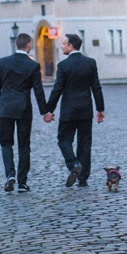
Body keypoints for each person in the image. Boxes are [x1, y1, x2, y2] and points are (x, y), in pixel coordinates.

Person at [0, 33, 48, 192]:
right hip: (23, 108)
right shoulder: (33, 66)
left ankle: (10, 174)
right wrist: (45, 112)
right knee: (24, 145)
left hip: (5, 108)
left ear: (17, 44)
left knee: (6, 143)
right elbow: (38, 91)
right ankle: (22, 182)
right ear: (28, 45)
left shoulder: (2, 62)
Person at [44, 33, 105, 187]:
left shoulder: (64, 66)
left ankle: (74, 163)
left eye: (64, 44)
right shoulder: (90, 63)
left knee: (64, 139)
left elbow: (57, 90)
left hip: (68, 111)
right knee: (85, 143)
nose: (62, 46)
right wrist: (100, 108)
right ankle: (83, 177)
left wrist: (49, 110)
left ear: (71, 46)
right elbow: (96, 87)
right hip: (85, 109)